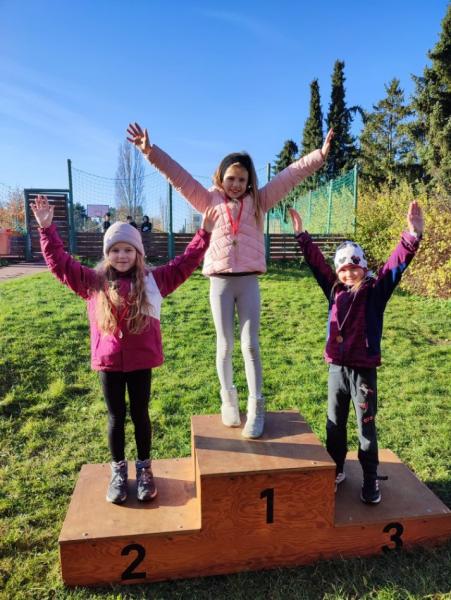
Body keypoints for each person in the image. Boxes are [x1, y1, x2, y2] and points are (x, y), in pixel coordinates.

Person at [127, 122, 333, 439]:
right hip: (219, 283)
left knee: (250, 345)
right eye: (230, 178)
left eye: (241, 179)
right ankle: (228, 400)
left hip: (248, 282)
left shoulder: (259, 202)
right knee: (224, 345)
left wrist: (319, 155)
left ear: (249, 181)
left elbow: (290, 175)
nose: (236, 184)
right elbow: (178, 177)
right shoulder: (207, 200)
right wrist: (150, 152)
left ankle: (256, 406)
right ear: (220, 178)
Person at [31, 194, 217, 504]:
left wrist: (205, 232)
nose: (121, 255)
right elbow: (60, 264)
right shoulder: (93, 282)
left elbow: (186, 263)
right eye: (115, 250)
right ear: (107, 254)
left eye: (128, 249)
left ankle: (144, 469)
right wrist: (47, 229)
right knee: (116, 418)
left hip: (141, 363)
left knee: (141, 414)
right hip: (109, 364)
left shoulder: (154, 281)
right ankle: (118, 471)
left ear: (138, 253)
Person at [289, 201, 424, 504]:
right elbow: (317, 264)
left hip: (363, 371)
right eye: (344, 269)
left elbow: (395, 266)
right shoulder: (334, 290)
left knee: (366, 425)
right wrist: (301, 235)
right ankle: (336, 469)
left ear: (363, 267)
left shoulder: (376, 292)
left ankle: (370, 476)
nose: (349, 274)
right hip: (337, 369)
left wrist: (412, 236)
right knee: (334, 424)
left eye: (354, 268)